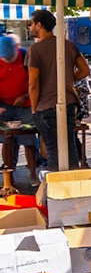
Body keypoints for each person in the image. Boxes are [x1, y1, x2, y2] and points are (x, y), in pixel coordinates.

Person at [27, 10, 90, 171]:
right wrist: (66, 79)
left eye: (31, 24)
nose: (30, 27)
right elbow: (84, 70)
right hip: (69, 103)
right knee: (70, 147)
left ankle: (58, 190)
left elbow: (33, 82)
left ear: (39, 25)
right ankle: (75, 183)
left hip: (46, 105)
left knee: (53, 150)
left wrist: (34, 108)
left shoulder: (35, 49)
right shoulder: (67, 45)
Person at [0, 34, 38, 181]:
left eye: (10, 58)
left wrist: (25, 96)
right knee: (6, 141)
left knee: (28, 140)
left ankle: (33, 175)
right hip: (5, 105)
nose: (7, 61)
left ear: (16, 50)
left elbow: (36, 81)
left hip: (26, 105)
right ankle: (9, 177)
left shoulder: (25, 57)